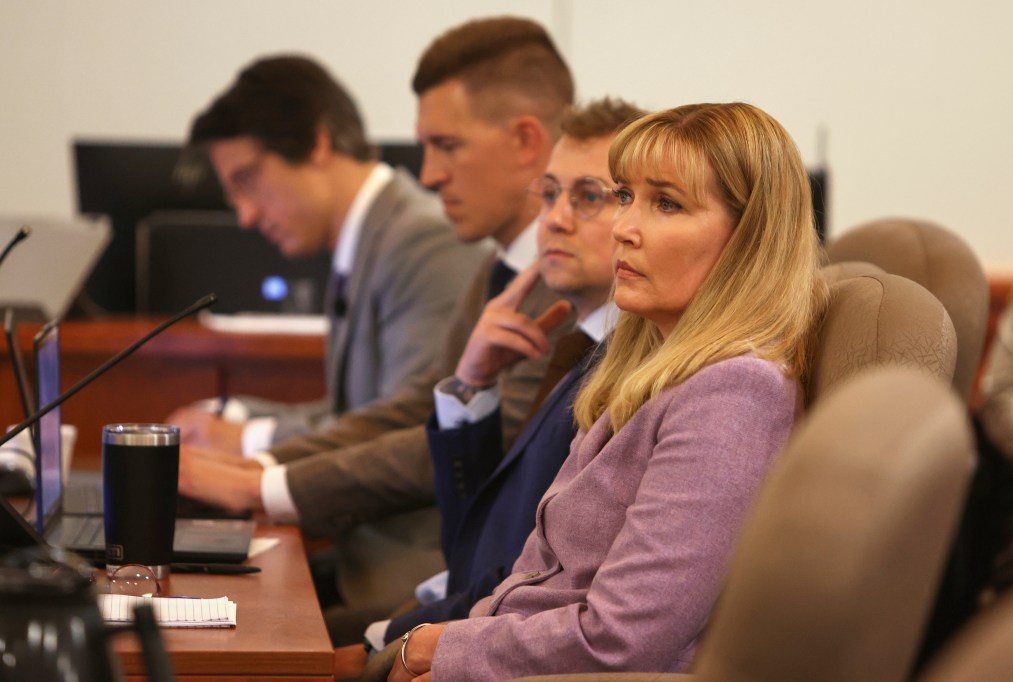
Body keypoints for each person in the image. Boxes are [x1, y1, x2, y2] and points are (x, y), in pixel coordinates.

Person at [386, 102, 829, 681]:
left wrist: (436, 650)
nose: (624, 227)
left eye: (666, 203)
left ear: (751, 237)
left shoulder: (735, 393)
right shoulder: (652, 368)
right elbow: (538, 581)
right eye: (625, 196)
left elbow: (618, 640)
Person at [177, 16, 576, 638]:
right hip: (442, 586)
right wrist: (260, 470)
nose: (431, 173)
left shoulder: (533, 276)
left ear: (527, 142)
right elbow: (419, 409)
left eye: (447, 145)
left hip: (450, 590)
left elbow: (442, 443)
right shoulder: (494, 270)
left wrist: (262, 481)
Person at [354, 98, 643, 653]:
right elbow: (478, 541)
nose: (555, 218)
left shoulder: (632, 372)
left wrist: (381, 640)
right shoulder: (576, 346)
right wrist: (472, 387)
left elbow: (533, 579)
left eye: (588, 197)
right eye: (551, 193)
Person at [167, 55, 488, 451]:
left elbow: (406, 429)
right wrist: (233, 416)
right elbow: (352, 413)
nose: (246, 216)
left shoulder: (424, 242)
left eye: (248, 180)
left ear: (316, 144)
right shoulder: (370, 238)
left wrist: (247, 441)